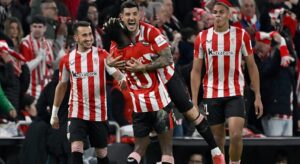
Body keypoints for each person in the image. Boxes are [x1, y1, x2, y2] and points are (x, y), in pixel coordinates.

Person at [106, 1, 225, 164]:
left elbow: (168, 58)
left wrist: (143, 66)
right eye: (128, 15)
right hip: (146, 87)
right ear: (121, 17)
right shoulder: (118, 38)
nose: (132, 17)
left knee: (190, 113)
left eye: (135, 14)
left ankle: (216, 151)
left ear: (140, 15)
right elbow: (110, 60)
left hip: (166, 77)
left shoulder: (150, 32)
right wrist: (118, 72)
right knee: (150, 124)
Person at [190, 1, 264, 164]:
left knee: (236, 135)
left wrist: (257, 95)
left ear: (229, 14)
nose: (217, 15)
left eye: (221, 12)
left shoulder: (241, 35)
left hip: (235, 92)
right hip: (211, 93)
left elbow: (252, 66)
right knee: (217, 139)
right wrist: (194, 101)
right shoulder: (202, 37)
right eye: (215, 12)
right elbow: (196, 71)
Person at [50, 21, 125, 164]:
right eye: (84, 35)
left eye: (90, 34)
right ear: (76, 38)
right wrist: (54, 114)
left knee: (101, 153)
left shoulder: (102, 55)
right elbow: (62, 85)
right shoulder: (67, 60)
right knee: (76, 147)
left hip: (99, 112)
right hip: (76, 111)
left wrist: (123, 80)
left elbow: (117, 74)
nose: (89, 38)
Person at [105, 18, 175, 164]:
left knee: (138, 150)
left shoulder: (115, 55)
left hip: (139, 106)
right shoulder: (143, 48)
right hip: (159, 103)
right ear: (123, 31)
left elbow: (109, 62)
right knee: (167, 152)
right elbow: (167, 57)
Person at [19, 15, 54, 99]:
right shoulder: (25, 43)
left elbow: (51, 65)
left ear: (45, 28)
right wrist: (40, 57)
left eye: (40, 27)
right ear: (30, 28)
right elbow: (26, 68)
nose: (37, 29)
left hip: (47, 85)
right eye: (34, 26)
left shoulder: (48, 43)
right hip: (31, 87)